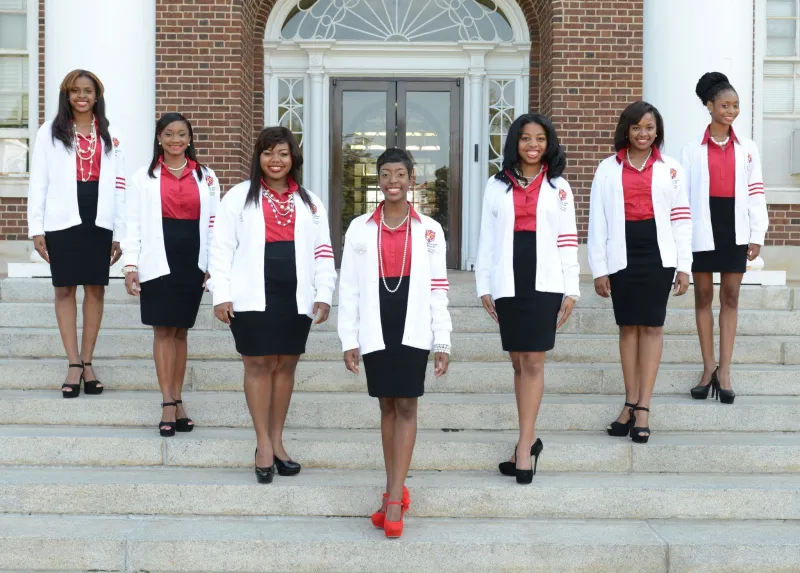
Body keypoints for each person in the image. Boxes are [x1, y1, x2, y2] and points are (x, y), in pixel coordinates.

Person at [208, 127, 336, 483]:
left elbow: (322, 250)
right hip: (251, 292)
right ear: (258, 158)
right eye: (268, 153)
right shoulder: (238, 197)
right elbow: (220, 248)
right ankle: (263, 443)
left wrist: (324, 291)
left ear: (293, 157)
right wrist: (221, 293)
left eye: (282, 153)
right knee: (258, 364)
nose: (275, 160)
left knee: (285, 366)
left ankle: (278, 442)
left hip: (296, 294)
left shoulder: (310, 201)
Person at [338, 148, 452, 538]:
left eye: (399, 174)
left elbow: (439, 288)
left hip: (413, 320)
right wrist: (348, 338)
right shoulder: (359, 228)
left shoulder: (430, 230)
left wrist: (444, 340)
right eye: (385, 174)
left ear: (412, 178)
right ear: (378, 179)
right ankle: (394, 491)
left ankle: (391, 501)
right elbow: (349, 288)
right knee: (386, 404)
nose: (392, 182)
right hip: (376, 320)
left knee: (406, 403)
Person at [475, 113, 579, 483]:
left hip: (546, 277)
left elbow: (567, 239)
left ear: (548, 143)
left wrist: (572, 287)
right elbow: (487, 236)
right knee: (518, 361)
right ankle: (529, 437)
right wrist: (483, 283)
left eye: (539, 138)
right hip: (507, 276)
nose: (532, 145)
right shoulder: (496, 185)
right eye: (524, 138)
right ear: (514, 143)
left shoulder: (559, 187)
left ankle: (523, 446)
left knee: (534, 359)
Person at [589, 101, 692, 444]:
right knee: (628, 328)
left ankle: (644, 407)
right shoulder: (607, 168)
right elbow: (597, 221)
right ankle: (629, 402)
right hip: (622, 254)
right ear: (626, 130)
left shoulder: (671, 168)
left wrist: (684, 266)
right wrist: (599, 269)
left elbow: (681, 218)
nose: (643, 134)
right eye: (636, 128)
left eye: (649, 127)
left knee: (651, 327)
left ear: (657, 131)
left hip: (658, 254)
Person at [27, 69, 125, 398]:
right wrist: (36, 227)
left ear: (97, 96)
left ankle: (88, 362)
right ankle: (72, 363)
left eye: (88, 90)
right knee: (65, 289)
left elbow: (119, 186)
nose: (81, 96)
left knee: (95, 289)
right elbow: (38, 181)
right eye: (74, 91)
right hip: (62, 216)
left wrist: (120, 231)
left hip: (100, 215)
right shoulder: (49, 133)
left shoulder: (111, 134)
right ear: (66, 95)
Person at [122, 113, 220, 436]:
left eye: (181, 134)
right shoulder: (143, 177)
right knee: (163, 331)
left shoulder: (206, 177)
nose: (175, 140)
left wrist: (212, 264)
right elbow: (133, 222)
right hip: (156, 260)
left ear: (190, 139)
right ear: (159, 139)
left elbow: (214, 224)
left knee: (181, 332)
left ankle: (178, 400)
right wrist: (131, 265)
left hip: (192, 259)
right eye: (168, 134)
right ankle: (167, 402)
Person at [682, 72, 768, 405]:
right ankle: (707, 370)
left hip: (735, 226)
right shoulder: (691, 149)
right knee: (703, 296)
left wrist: (757, 232)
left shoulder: (748, 149)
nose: (731, 111)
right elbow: (684, 197)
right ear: (709, 106)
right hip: (703, 226)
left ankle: (726, 371)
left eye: (735, 105)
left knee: (730, 296)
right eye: (724, 105)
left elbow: (756, 191)